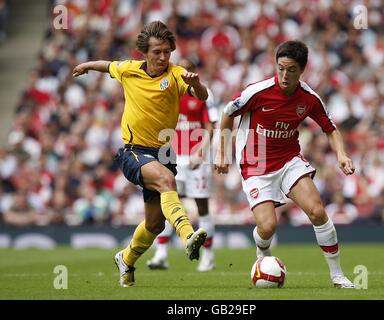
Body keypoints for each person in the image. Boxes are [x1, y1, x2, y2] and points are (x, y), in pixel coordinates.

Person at [72, 21, 209, 287]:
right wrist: (87, 65)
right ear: (144, 52)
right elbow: (108, 65)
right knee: (168, 182)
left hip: (164, 154)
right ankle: (187, 235)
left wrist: (198, 83)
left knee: (155, 224)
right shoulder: (129, 70)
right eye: (157, 52)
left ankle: (126, 259)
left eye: (167, 51)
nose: (162, 57)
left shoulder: (177, 74)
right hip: (134, 151)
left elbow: (201, 96)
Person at [214, 40, 355, 288]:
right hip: (255, 164)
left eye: (291, 70)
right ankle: (262, 252)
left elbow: (330, 129)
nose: (284, 75)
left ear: (302, 70)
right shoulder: (256, 92)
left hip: (289, 160)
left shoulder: (309, 98)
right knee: (268, 226)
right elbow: (226, 114)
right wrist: (222, 153)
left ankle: (337, 275)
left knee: (317, 211)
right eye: (280, 68)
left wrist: (342, 155)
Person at [147, 58, 218, 272]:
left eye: (189, 69)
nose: (184, 73)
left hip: (197, 158)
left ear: (195, 72)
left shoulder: (204, 93)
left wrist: (202, 151)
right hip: (173, 158)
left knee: (202, 207)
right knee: (168, 205)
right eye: (181, 69)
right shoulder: (168, 91)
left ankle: (208, 255)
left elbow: (210, 125)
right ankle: (160, 255)